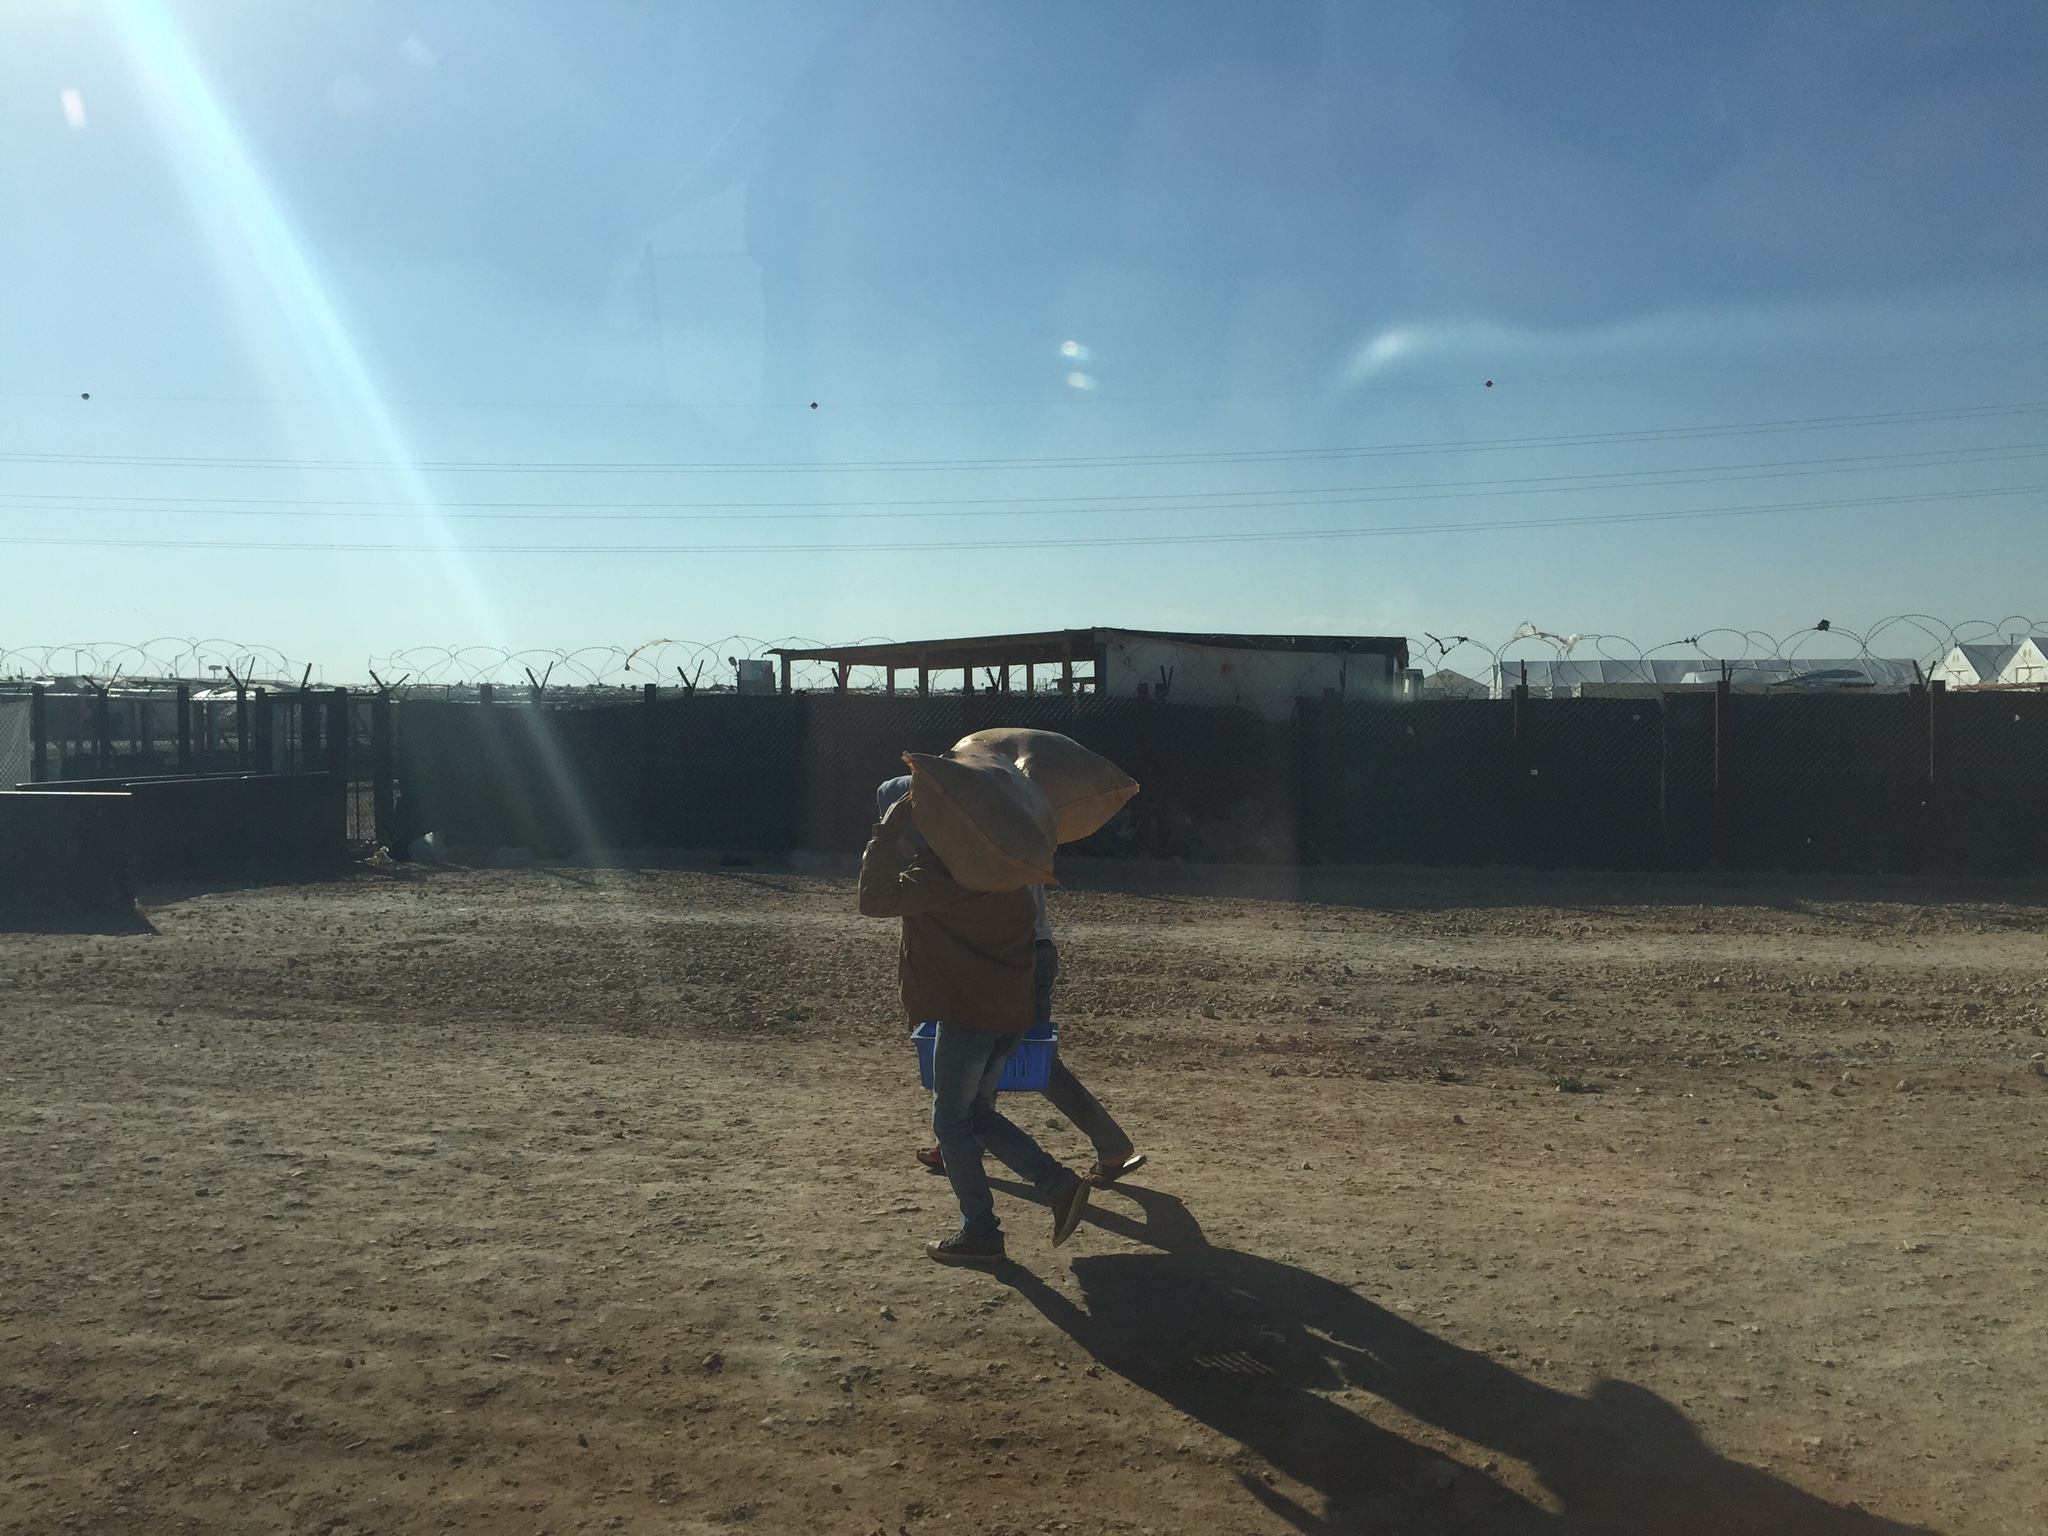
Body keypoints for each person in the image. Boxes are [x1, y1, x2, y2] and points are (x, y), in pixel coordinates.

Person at [859, 777, 1091, 1266]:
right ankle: (1059, 1184)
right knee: (978, 1117)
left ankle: (981, 1231)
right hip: (1006, 1011)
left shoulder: (941, 875)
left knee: (950, 1124)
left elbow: (873, 900)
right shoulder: (994, 864)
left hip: (969, 1016)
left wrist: (883, 833)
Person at [912, 871, 1145, 1187]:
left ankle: (1111, 1146)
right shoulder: (1023, 825)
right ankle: (956, 1144)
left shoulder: (983, 829)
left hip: (1010, 951)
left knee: (1032, 1062)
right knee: (997, 1054)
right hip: (1027, 946)